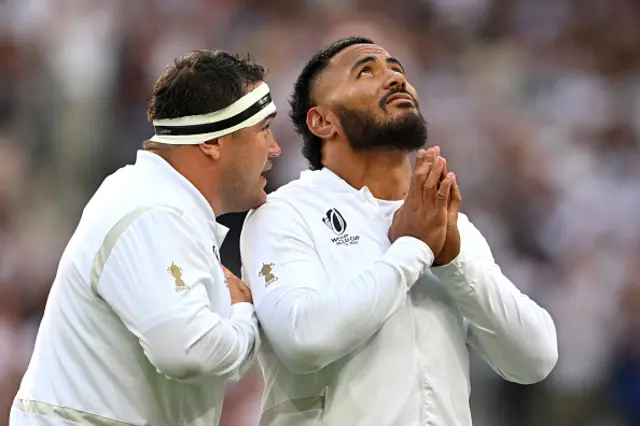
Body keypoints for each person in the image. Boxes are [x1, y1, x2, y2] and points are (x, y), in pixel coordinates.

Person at [240, 37, 558, 426]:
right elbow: (303, 338)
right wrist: (412, 250)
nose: (393, 77)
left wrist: (454, 262)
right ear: (322, 121)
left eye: (397, 69)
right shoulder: (285, 213)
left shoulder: (441, 219)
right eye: (366, 71)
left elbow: (534, 359)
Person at [10, 49, 281, 426]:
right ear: (211, 142)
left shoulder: (154, 197)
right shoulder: (155, 212)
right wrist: (244, 316)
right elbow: (188, 351)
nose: (275, 149)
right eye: (264, 129)